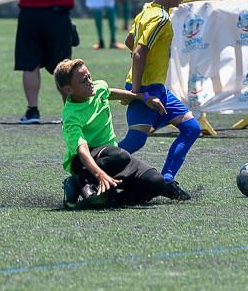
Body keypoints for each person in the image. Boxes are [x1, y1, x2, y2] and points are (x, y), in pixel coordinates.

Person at [54, 59, 190, 209]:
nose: (90, 82)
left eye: (89, 76)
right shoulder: (70, 115)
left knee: (156, 182)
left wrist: (143, 98)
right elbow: (82, 150)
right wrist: (99, 175)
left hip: (112, 157)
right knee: (120, 155)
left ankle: (112, 200)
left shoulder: (98, 88)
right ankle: (77, 181)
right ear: (69, 89)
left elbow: (108, 92)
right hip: (84, 162)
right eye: (83, 81)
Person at [116, 0, 199, 197]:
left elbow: (130, 42)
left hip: (156, 88)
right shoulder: (161, 18)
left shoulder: (146, 10)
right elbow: (139, 51)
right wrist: (139, 93)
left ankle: (166, 180)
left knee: (191, 127)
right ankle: (93, 170)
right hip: (146, 88)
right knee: (135, 141)